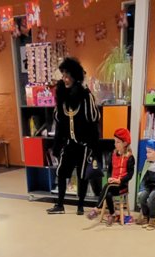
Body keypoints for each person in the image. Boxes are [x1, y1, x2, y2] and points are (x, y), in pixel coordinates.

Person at [46, 57, 100, 216]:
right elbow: (58, 120)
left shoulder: (85, 96)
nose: (65, 79)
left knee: (82, 175)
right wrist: (57, 145)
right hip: (68, 144)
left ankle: (80, 206)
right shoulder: (62, 95)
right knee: (62, 172)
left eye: (68, 76)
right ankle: (60, 205)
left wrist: (88, 95)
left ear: (75, 77)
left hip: (84, 144)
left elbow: (94, 117)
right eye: (63, 76)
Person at [87, 128, 134, 222]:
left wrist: (119, 180)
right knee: (108, 193)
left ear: (125, 143)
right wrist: (110, 178)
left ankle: (97, 208)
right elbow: (109, 170)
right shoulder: (113, 154)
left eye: (118, 142)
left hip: (122, 185)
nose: (115, 144)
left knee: (107, 186)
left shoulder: (130, 157)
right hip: (112, 184)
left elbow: (130, 175)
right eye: (115, 141)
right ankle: (112, 214)